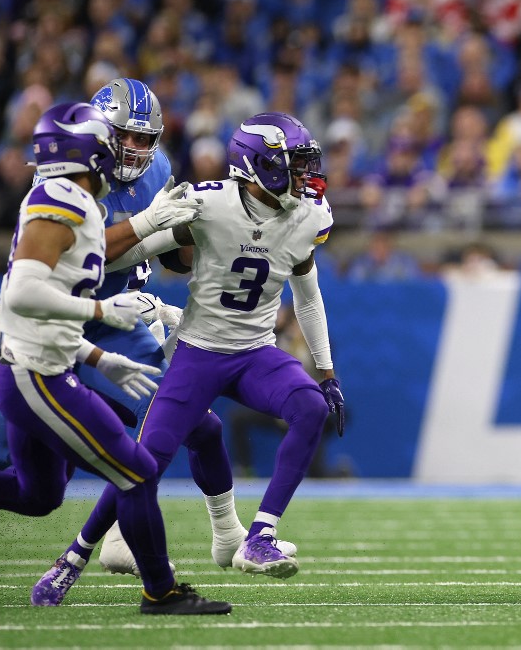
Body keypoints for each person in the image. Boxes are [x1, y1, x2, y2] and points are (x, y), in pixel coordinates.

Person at [44, 111, 346, 587]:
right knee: (145, 460)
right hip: (198, 354)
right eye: (295, 165)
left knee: (310, 406)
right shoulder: (207, 205)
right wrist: (108, 264)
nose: (306, 176)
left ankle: (259, 536)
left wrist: (327, 373)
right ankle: (73, 558)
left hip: (255, 353)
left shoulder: (308, 217)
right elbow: (129, 252)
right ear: (262, 166)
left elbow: (308, 296)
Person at [0, 102, 228, 614]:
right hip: (34, 368)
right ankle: (160, 590)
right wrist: (103, 309)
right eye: (111, 143)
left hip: (54, 353)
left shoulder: (84, 198)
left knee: (40, 495)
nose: (122, 153)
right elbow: (22, 295)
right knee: (131, 469)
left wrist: (102, 355)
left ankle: (147, 575)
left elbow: (68, 297)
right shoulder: (60, 201)